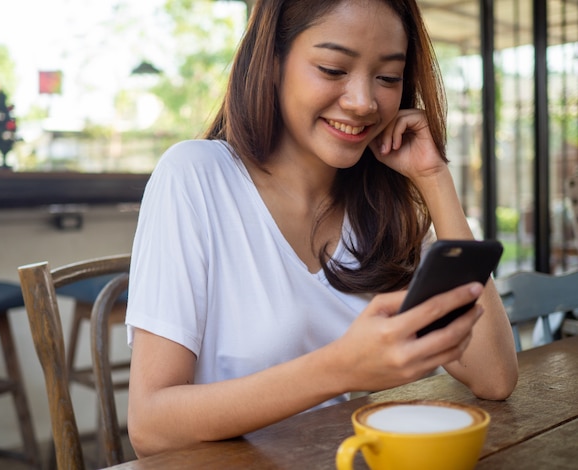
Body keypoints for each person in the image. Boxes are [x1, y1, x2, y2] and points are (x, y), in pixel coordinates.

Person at [125, 0, 518, 457]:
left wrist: (433, 178)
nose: (363, 102)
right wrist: (340, 368)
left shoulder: (379, 208)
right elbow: (150, 426)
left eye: (388, 77)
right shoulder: (195, 176)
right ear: (273, 63)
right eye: (333, 69)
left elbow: (494, 377)